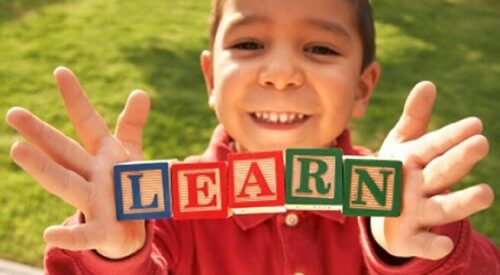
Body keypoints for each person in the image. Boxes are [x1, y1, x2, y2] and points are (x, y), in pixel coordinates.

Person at [6, 0, 499, 274]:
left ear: (362, 89)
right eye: (248, 43)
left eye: (320, 48)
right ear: (210, 80)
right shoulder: (164, 209)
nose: (280, 73)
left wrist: (410, 249)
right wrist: (114, 255)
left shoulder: (396, 200)